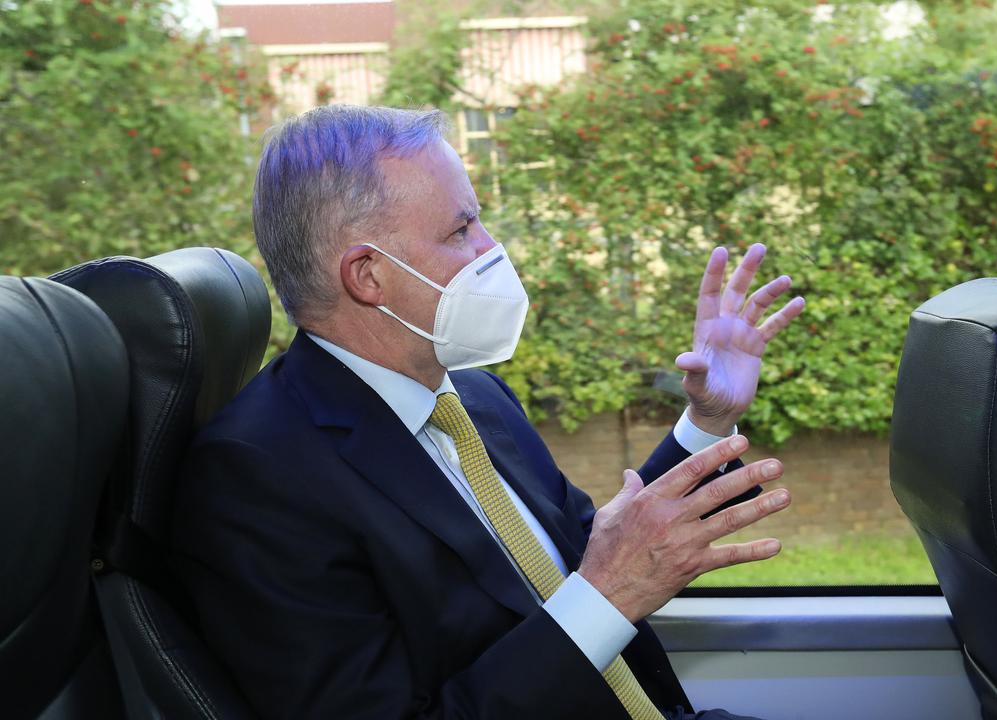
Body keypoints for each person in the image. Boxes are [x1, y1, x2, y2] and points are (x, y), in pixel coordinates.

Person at [170, 105, 804, 720]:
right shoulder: (257, 479)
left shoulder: (475, 396)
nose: (492, 248)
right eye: (460, 229)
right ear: (368, 276)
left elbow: (592, 556)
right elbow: (601, 588)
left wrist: (706, 419)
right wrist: (609, 594)